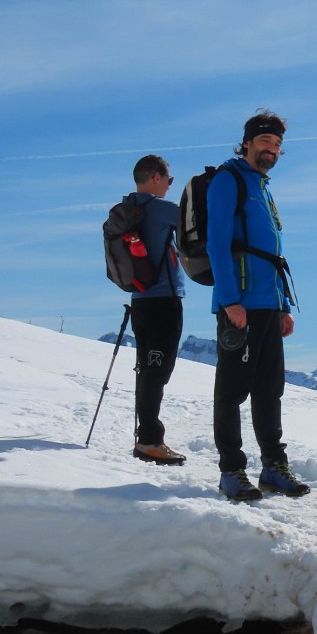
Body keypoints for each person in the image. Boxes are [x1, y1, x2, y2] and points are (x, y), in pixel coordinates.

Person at [208, 111, 309, 500]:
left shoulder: (262, 187)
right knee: (232, 391)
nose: (273, 149)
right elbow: (218, 244)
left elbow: (272, 252)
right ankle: (231, 470)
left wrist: (284, 305)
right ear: (247, 143)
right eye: (266, 141)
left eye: (278, 144)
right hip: (241, 305)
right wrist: (230, 300)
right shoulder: (228, 180)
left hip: (268, 303)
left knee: (270, 390)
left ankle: (273, 467)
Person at [125, 154, 186, 465]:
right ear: (156, 178)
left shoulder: (126, 209)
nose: (169, 186)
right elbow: (194, 222)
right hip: (164, 301)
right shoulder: (161, 209)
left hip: (139, 301)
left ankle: (146, 437)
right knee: (157, 371)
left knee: (147, 368)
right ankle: (149, 441)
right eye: (169, 180)